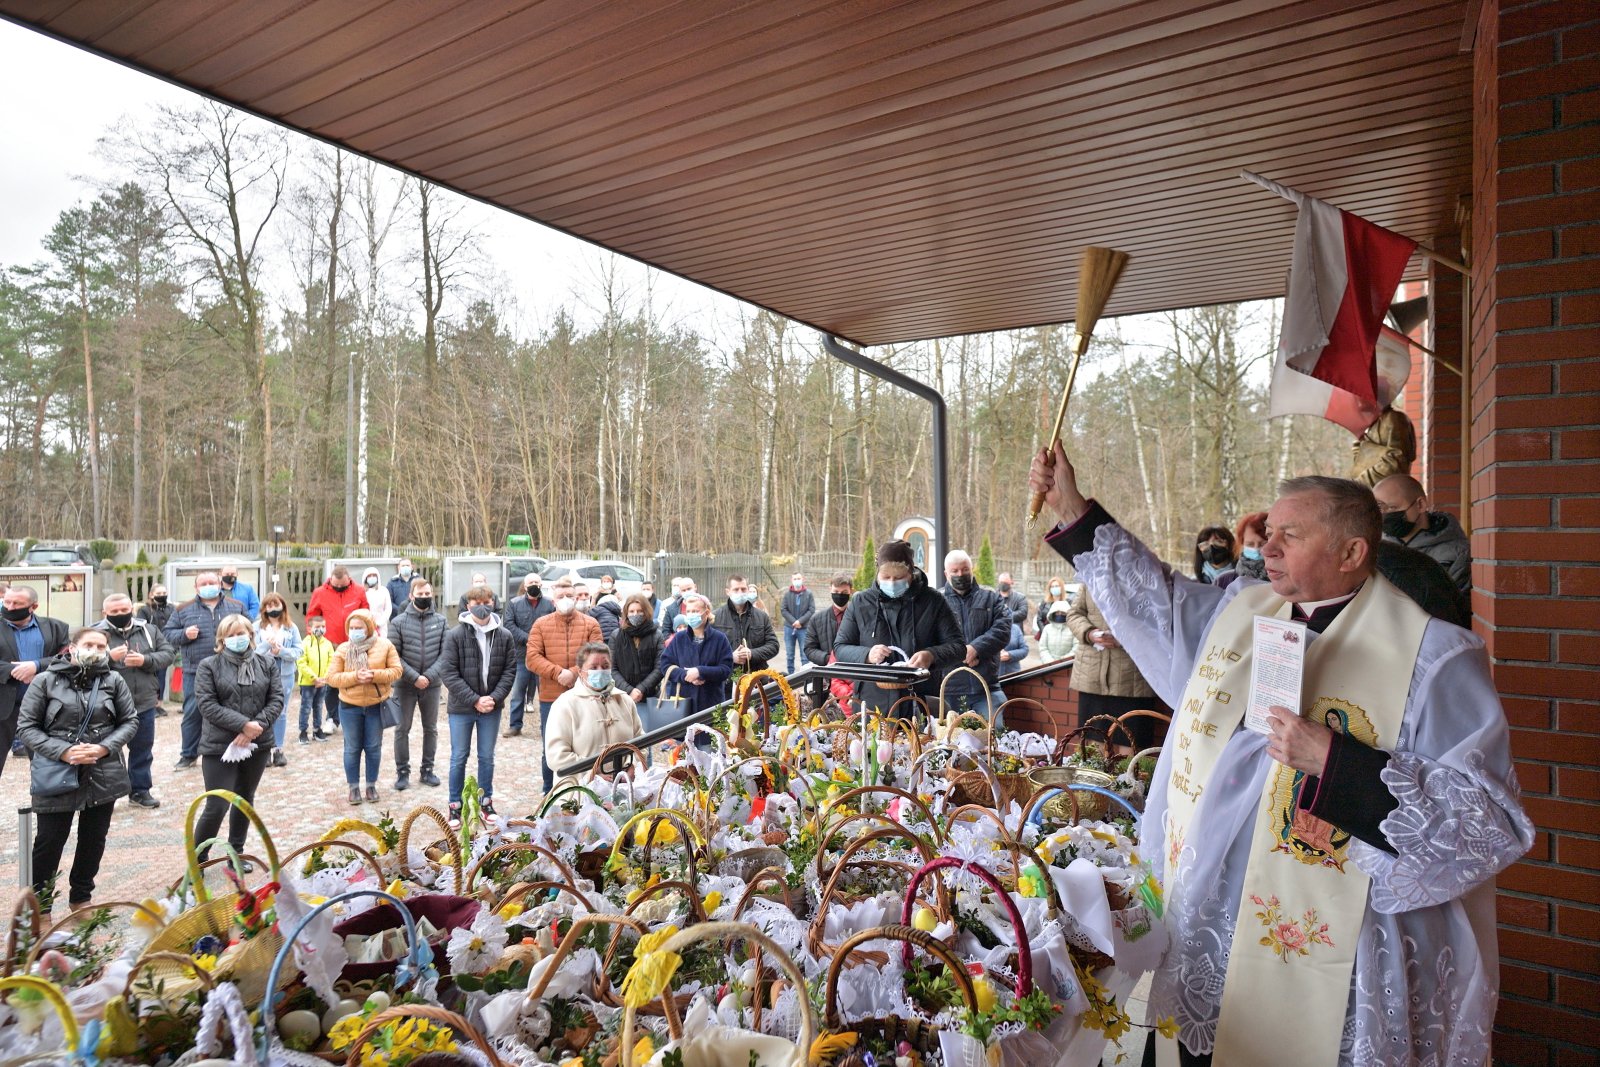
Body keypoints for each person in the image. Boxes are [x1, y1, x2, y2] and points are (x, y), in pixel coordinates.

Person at [1028, 444, 1533, 1067]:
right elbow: (1156, 604)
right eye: (1269, 532)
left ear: (1352, 552)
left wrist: (1337, 761)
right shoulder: (1242, 611)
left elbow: (1487, 821)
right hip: (1212, 920)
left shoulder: (1434, 658)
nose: (1267, 547)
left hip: (1335, 954)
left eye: (1289, 536)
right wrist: (1073, 508)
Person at [17, 627, 138, 909]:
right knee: (49, 842)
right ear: (72, 648)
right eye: (89, 645)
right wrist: (64, 751)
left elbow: (129, 721)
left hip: (102, 772)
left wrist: (104, 747)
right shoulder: (45, 681)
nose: (95, 651)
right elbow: (27, 727)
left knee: (93, 841)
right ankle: (42, 907)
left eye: (100, 646)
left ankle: (81, 898)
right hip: (57, 774)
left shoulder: (114, 680)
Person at [834, 539, 964, 716]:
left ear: (911, 573)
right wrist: (867, 655)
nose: (892, 583)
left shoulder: (933, 601)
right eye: (886, 578)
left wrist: (931, 655)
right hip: (871, 704)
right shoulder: (860, 602)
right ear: (877, 574)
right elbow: (840, 648)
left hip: (920, 701)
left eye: (899, 578)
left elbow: (958, 647)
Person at [192, 614, 283, 862]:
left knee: (244, 798)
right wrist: (242, 725)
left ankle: (237, 852)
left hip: (257, 743)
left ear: (251, 635)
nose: (237, 638)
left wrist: (256, 726)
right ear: (222, 639)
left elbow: (276, 699)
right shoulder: (209, 666)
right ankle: (198, 858)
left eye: (241, 633)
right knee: (218, 803)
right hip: (220, 744)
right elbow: (207, 705)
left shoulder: (266, 664)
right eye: (231, 635)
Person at [439, 584, 517, 824]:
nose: (482, 607)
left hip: (491, 707)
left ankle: (486, 802)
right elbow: (448, 672)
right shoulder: (455, 635)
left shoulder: (504, 635)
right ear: (468, 605)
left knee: (486, 757)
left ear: (493, 603)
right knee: (458, 756)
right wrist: (474, 699)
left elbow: (509, 670)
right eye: (476, 603)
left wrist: (494, 698)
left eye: (487, 602)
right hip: (462, 708)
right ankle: (455, 804)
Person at [94, 592, 174, 808]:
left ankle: (139, 791)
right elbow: (80, 662)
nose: (121, 614)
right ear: (105, 613)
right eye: (115, 612)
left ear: (132, 609)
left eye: (124, 610)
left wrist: (145, 660)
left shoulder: (148, 630)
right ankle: (106, 793)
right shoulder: (95, 633)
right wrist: (108, 658)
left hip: (143, 702)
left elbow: (168, 653)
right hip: (107, 704)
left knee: (142, 749)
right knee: (106, 751)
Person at [164, 572, 246, 770]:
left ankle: (233, 750)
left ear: (220, 584)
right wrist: (184, 634)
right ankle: (189, 754)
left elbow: (248, 630)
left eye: (212, 582)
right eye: (204, 583)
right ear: (196, 587)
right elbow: (168, 633)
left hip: (231, 667)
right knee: (193, 712)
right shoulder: (183, 609)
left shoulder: (236, 606)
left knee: (232, 710)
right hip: (196, 669)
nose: (208, 585)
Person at [527, 577, 602, 791]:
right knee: (551, 746)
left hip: (585, 695)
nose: (566, 600)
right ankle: (549, 789)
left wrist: (575, 673)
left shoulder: (591, 624)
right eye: (561, 596)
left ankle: (583, 789)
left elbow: (598, 655)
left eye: (570, 596)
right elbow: (532, 657)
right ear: (553, 601)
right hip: (551, 695)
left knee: (585, 743)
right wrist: (558, 672)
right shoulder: (541, 625)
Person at [1065, 585, 1162, 748]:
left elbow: (1159, 620)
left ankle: (1128, 774)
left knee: (1130, 744)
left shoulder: (1146, 579)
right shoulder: (1091, 580)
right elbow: (1074, 613)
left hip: (1133, 678)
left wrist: (1126, 637)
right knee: (1092, 742)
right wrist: (1089, 633)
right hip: (1093, 674)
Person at [326, 608, 402, 805]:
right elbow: (332, 678)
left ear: (369, 627)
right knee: (352, 748)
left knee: (373, 747)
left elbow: (396, 671)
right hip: (350, 706)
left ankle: (370, 785)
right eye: (351, 628)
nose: (355, 631)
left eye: (359, 627)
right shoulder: (343, 649)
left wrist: (374, 674)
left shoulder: (385, 646)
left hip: (376, 705)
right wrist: (355, 677)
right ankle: (353, 788)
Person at [2, 586, 72, 781]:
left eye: (17, 603)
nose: (9, 606)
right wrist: (15, 671)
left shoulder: (57, 627)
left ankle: (47, 809)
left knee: (46, 766)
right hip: (4, 706)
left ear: (34, 606)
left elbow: (66, 658)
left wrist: (36, 666)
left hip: (44, 706)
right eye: (7, 602)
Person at [545, 642, 644, 773]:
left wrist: (633, 766)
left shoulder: (625, 700)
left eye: (605, 666)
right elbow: (557, 756)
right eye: (594, 667)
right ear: (580, 671)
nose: (600, 671)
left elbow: (641, 742)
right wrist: (593, 772)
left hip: (623, 784)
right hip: (580, 787)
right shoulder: (565, 704)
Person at [389, 577, 447, 790]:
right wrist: (415, 677)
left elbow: (445, 653)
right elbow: (394, 655)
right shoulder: (398, 622)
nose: (424, 598)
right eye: (420, 594)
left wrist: (429, 677)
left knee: (430, 729)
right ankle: (402, 772)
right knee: (402, 728)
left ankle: (427, 770)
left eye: (427, 594)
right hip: (404, 685)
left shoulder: (440, 621)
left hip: (432, 685)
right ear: (411, 595)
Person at [939, 549, 1012, 716]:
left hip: (986, 686)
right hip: (949, 688)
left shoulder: (991, 597)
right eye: (955, 571)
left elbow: (1003, 628)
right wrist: (961, 654)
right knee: (949, 740)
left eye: (965, 569)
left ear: (972, 569)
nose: (960, 574)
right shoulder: (937, 601)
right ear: (946, 573)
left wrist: (976, 648)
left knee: (996, 735)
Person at [1372, 473, 1471, 593]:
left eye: (1392, 507)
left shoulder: (1458, 553)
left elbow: (1454, 606)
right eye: (1379, 510)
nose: (1385, 515)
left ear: (1420, 505)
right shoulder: (1374, 550)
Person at [657, 593, 735, 719]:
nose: (692, 614)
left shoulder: (719, 639)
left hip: (711, 703)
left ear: (706, 612)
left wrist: (700, 672)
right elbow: (665, 665)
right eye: (689, 611)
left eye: (695, 611)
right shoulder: (679, 638)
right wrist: (685, 675)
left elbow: (726, 669)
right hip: (683, 703)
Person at [254, 593, 301, 767]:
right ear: (264, 609)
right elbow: (252, 652)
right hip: (261, 673)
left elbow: (298, 651)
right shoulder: (256, 627)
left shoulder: (291, 628)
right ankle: (264, 748)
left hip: (284, 674)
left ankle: (278, 749)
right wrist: (267, 644)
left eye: (276, 605)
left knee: (280, 712)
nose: (273, 609)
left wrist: (281, 652)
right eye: (269, 606)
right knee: (263, 711)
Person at [502, 573, 550, 738]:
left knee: (545, 693)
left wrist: (539, 642)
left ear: (541, 584)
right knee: (517, 693)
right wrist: (529, 639)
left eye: (537, 582)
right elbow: (508, 625)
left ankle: (547, 728)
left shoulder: (550, 604)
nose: (534, 584)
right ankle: (515, 726)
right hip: (522, 656)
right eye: (531, 582)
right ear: (525, 584)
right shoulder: (514, 604)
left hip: (544, 657)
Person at [609, 593, 664, 728]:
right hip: (621, 696)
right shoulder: (616, 636)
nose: (635, 614)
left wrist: (640, 690)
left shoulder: (656, 635)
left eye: (640, 611)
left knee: (645, 738)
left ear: (646, 612)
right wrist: (629, 690)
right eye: (632, 611)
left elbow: (660, 667)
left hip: (647, 696)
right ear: (626, 613)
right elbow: (612, 668)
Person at [803, 573, 855, 707]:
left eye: (844, 592)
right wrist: (829, 659)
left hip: (854, 675)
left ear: (851, 591)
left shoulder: (859, 616)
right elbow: (809, 648)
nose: (840, 595)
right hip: (826, 677)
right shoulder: (817, 619)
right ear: (830, 590)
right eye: (836, 592)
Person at [712, 574, 780, 673]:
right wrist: (730, 657)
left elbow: (773, 645)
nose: (740, 592)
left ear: (748, 590)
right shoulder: (715, 617)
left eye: (743, 589)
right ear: (728, 591)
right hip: (727, 678)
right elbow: (707, 650)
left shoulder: (761, 616)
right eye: (736, 589)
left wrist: (752, 653)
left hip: (757, 677)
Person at [1350, 403, 1416, 487]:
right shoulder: (1373, 424)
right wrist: (1360, 448)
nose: (1358, 402)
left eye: (1360, 395)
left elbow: (1396, 461)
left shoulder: (1393, 418)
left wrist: (1359, 483)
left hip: (1388, 490)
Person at [306, 566, 369, 647]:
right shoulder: (319, 593)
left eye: (342, 585)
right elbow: (311, 617)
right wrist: (312, 637)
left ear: (349, 579)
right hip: (329, 643)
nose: (339, 587)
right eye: (336, 585)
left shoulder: (359, 591)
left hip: (354, 641)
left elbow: (366, 615)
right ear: (330, 580)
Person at [296, 615, 335, 742]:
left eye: (323, 626)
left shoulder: (328, 644)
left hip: (322, 682)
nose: (321, 629)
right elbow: (301, 662)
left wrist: (324, 678)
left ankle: (317, 730)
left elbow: (332, 661)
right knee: (306, 707)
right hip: (308, 683)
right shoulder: (304, 643)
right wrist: (313, 678)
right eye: (317, 627)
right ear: (309, 628)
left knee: (318, 706)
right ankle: (303, 731)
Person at [136, 583, 175, 711]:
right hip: (150, 648)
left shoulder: (171, 609)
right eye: (159, 594)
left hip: (166, 647)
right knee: (150, 675)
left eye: (164, 593)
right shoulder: (145, 610)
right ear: (151, 595)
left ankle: (159, 703)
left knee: (161, 676)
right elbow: (141, 626)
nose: (162, 596)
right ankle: (150, 703)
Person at [779, 572, 815, 675]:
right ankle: (791, 676)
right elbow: (784, 610)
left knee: (805, 654)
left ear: (802, 579)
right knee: (790, 654)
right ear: (792, 580)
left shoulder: (809, 594)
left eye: (798, 578)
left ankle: (805, 676)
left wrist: (800, 621)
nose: (797, 581)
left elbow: (811, 610)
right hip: (789, 628)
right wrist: (794, 622)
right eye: (795, 579)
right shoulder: (787, 594)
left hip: (804, 628)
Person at [361, 566, 394, 636]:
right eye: (369, 576)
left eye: (374, 575)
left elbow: (388, 609)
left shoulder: (383, 590)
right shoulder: (362, 591)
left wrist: (379, 623)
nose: (372, 577)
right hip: (365, 625)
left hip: (381, 626)